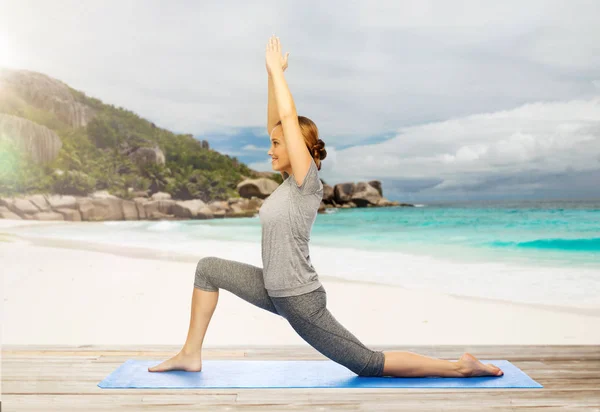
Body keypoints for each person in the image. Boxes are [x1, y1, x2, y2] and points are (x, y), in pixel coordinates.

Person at [148, 35, 504, 378]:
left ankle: (460, 366)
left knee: (367, 364)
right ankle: (190, 354)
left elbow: (288, 121)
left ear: (296, 148)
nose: (270, 149)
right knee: (208, 269)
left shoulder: (307, 185)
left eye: (277, 144)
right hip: (274, 291)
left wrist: (276, 73)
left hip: (300, 301)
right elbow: (279, 120)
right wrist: (273, 76)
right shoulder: (289, 184)